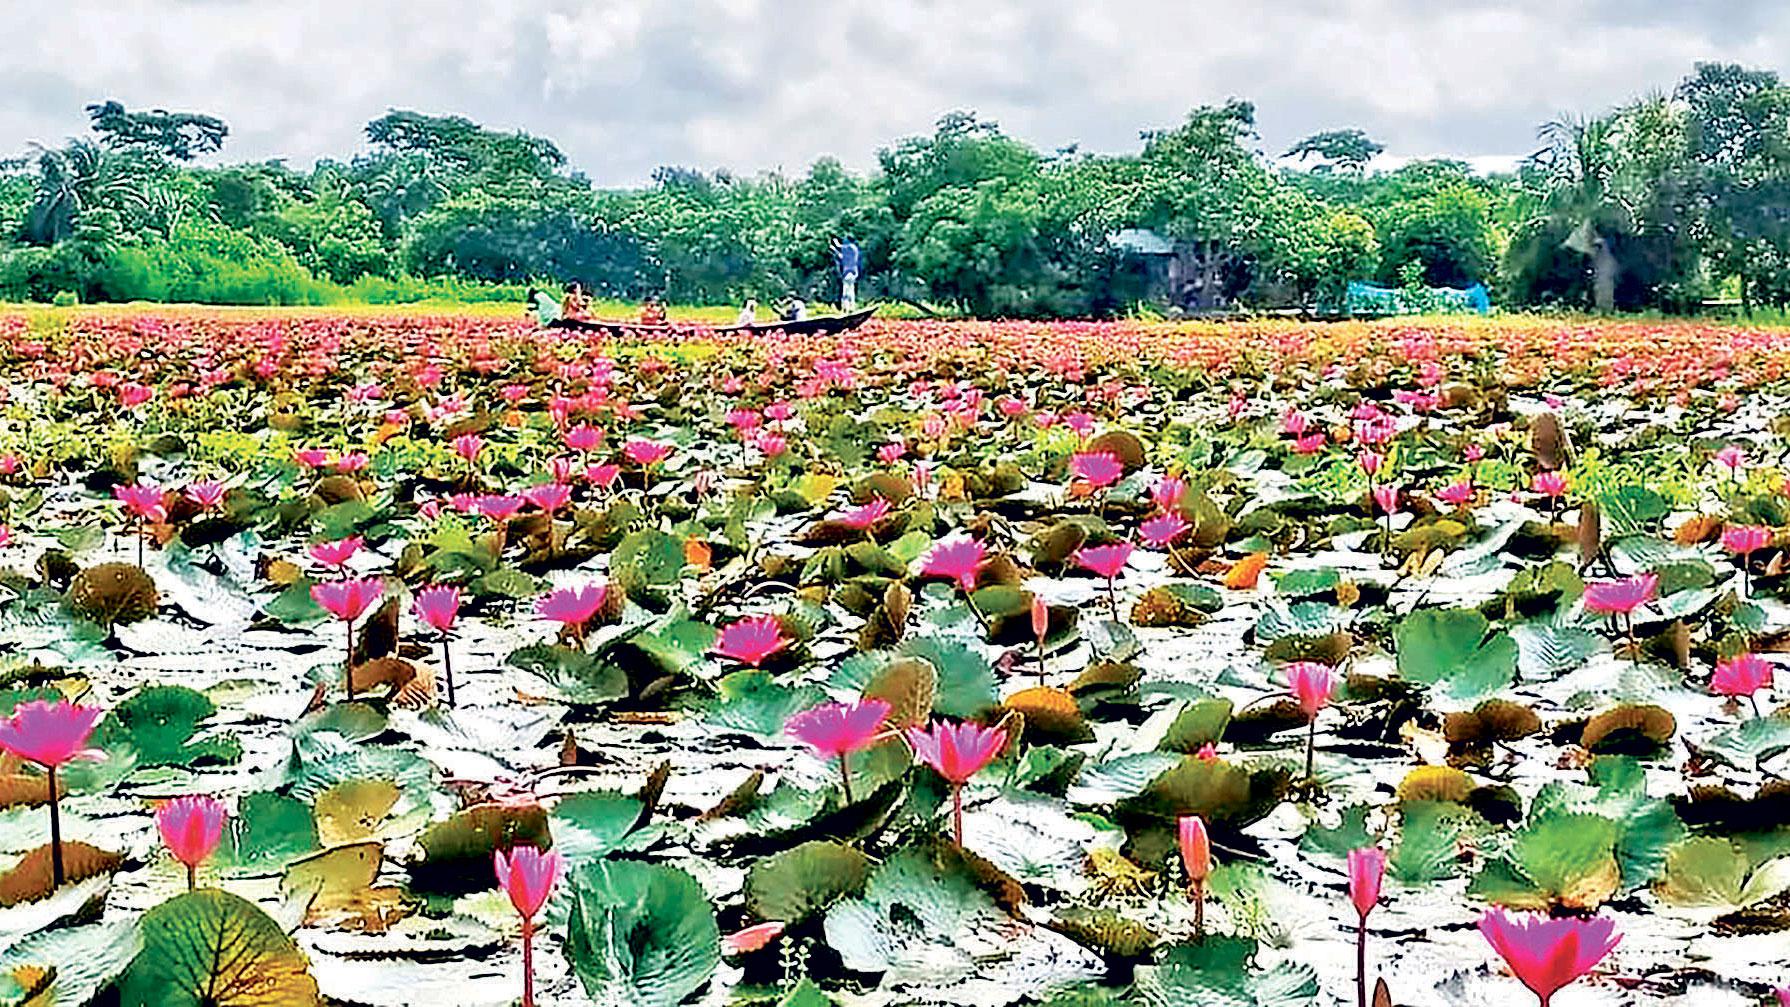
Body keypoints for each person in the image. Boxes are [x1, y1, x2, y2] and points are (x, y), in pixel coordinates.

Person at [832, 236, 861, 311]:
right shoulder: (853, 250)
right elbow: (841, 257)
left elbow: (839, 246)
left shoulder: (850, 247)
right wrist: (834, 250)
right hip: (852, 272)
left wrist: (835, 241)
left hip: (849, 272)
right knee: (850, 290)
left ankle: (846, 308)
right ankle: (851, 307)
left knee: (846, 291)